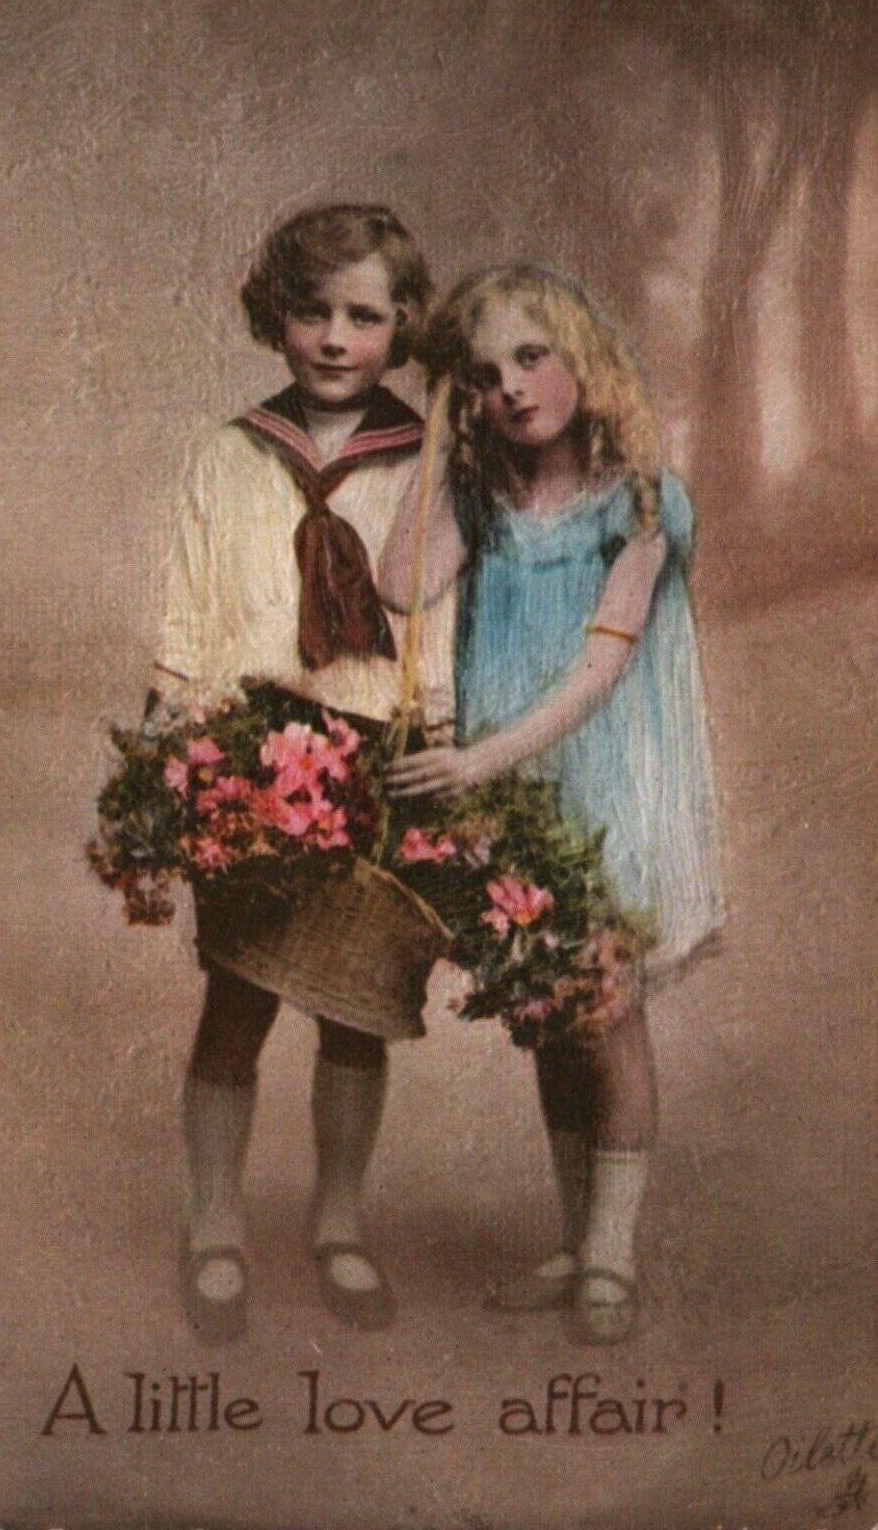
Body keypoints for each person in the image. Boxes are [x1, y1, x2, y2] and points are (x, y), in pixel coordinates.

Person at [381, 264, 724, 1343]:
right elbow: (398, 584)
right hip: (515, 798)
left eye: (532, 359)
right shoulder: (482, 495)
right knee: (547, 1016)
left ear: (583, 360)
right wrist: (438, 441)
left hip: (606, 789)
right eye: (483, 377)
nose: (512, 390)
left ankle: (612, 1253)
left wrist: (476, 765)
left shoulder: (642, 501)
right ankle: (577, 1242)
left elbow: (599, 672)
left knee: (605, 1017)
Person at [148, 204, 454, 1340]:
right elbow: (189, 611)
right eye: (312, 311)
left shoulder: (432, 462)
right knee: (236, 1000)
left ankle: (339, 1223)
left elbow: (444, 616)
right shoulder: (228, 456)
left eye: (363, 316)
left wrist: (439, 734)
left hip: (375, 749)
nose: (334, 337)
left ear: (402, 323)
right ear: (275, 316)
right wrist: (180, 739)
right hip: (252, 750)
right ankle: (216, 1227)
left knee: (354, 1012)